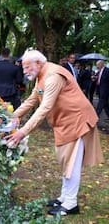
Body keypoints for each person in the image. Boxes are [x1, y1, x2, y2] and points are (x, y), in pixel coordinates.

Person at [7, 50, 104, 216]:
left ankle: (71, 203)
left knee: (71, 163)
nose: (24, 71)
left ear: (38, 63)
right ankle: (64, 198)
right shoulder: (42, 76)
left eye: (27, 67)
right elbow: (31, 100)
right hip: (65, 123)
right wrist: (11, 117)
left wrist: (22, 132)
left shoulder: (52, 76)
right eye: (24, 68)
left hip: (76, 121)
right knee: (65, 160)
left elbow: (44, 108)